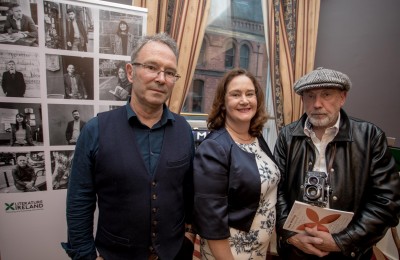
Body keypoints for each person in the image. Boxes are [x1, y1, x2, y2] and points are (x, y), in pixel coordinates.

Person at [62, 32, 195, 260]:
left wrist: (190, 235)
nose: (161, 78)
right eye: (152, 67)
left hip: (174, 253)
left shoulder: (184, 129)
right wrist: (86, 255)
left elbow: (188, 191)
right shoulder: (95, 130)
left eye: (170, 72)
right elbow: (79, 202)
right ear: (130, 72)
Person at [273, 67, 400, 260]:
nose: (317, 104)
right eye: (310, 96)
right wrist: (291, 236)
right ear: (302, 100)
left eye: (326, 95)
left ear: (342, 98)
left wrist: (342, 240)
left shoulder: (370, 137)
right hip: (296, 250)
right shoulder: (286, 137)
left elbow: (387, 202)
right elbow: (276, 191)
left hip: (348, 252)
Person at [193, 68, 281, 259]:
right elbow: (211, 221)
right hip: (230, 253)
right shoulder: (214, 148)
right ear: (223, 102)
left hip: (258, 251)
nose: (244, 100)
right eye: (235, 94)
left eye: (250, 94)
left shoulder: (256, 138)